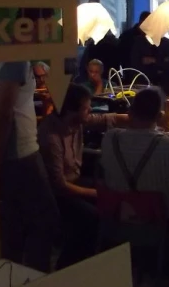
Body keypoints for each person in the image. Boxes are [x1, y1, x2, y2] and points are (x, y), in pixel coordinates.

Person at [0, 8, 59, 272]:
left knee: (18, 223)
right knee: (46, 219)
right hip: (20, 152)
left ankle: (20, 279)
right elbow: (4, 110)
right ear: (32, 24)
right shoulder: (17, 56)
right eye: (48, 25)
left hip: (20, 150)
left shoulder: (19, 56)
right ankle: (34, 280)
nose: (50, 31)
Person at [37, 84, 127, 269]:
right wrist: (95, 193)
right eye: (86, 108)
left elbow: (103, 118)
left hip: (74, 182)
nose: (90, 111)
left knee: (114, 197)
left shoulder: (75, 121)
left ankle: (98, 261)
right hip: (57, 194)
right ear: (72, 110)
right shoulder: (51, 135)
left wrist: (138, 119)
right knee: (91, 217)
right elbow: (59, 184)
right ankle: (69, 268)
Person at [100, 88, 169, 221]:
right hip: (158, 220)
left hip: (117, 217)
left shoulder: (110, 138)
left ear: (130, 113)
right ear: (159, 116)